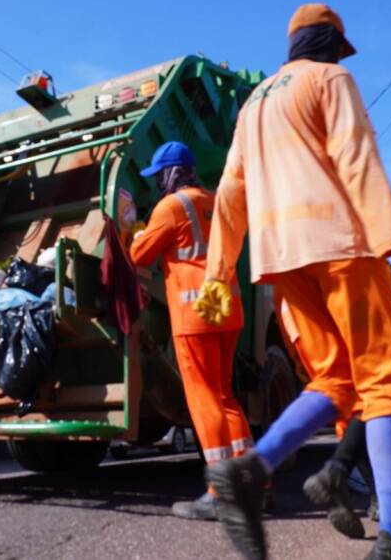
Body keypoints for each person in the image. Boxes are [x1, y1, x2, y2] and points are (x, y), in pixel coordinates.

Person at [193, 3, 391, 560]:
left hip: (281, 260)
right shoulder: (332, 79)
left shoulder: (253, 103)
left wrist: (219, 272)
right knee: (384, 385)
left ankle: (251, 468)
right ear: (329, 43)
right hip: (343, 245)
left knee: (335, 380)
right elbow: (358, 161)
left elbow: (231, 191)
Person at [129, 141, 252, 521]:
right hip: (227, 310)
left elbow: (138, 256)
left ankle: (220, 493)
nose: (157, 184)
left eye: (159, 176)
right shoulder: (217, 202)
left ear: (172, 173)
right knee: (225, 396)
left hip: (193, 314)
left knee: (204, 402)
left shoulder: (170, 207)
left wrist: (134, 232)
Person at [298, 282, 391, 539]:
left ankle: (352, 491)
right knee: (380, 407)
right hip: (363, 345)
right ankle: (341, 477)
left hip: (319, 337)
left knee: (351, 422)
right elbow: (387, 298)